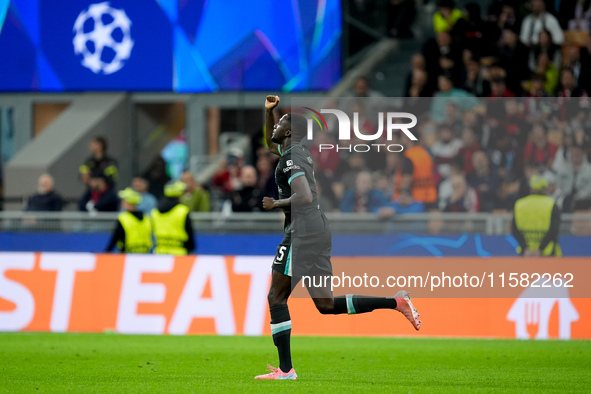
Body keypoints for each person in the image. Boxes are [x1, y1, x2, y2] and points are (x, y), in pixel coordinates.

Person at [256, 95, 420, 380]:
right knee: (326, 304)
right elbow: (272, 143)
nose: (276, 126)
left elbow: (304, 196)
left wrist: (277, 204)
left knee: (276, 297)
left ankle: (285, 370)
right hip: (318, 230)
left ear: (290, 131)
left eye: (281, 122)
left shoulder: (292, 157)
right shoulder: (297, 152)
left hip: (302, 233)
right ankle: (396, 302)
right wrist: (270, 112)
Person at [511, 175, 562, 256]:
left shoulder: (519, 204)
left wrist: (525, 248)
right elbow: (554, 230)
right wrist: (540, 249)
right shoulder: (552, 204)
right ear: (545, 188)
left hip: (525, 253)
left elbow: (514, 229)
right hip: (548, 253)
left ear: (531, 188)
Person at [151, 181, 196, 255]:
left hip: (159, 253)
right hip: (179, 254)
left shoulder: (155, 211)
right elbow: (190, 234)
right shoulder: (182, 210)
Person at [105, 188, 152, 253]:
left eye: (123, 200)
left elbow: (115, 238)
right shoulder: (146, 218)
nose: (122, 202)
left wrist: (105, 253)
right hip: (145, 255)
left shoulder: (123, 218)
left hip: (127, 256)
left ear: (127, 202)